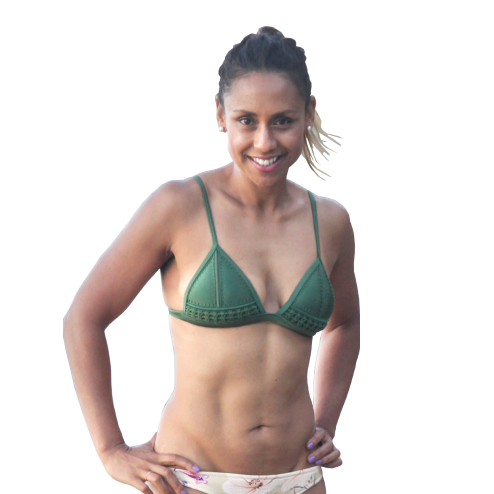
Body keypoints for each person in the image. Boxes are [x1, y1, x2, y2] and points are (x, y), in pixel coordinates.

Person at [63, 26, 360, 494]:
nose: (265, 141)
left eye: (283, 120)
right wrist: (110, 449)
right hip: (192, 481)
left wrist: (326, 420)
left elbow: (344, 324)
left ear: (309, 113)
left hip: (300, 480)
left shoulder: (331, 222)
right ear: (221, 115)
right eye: (247, 120)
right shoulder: (178, 207)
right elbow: (83, 318)